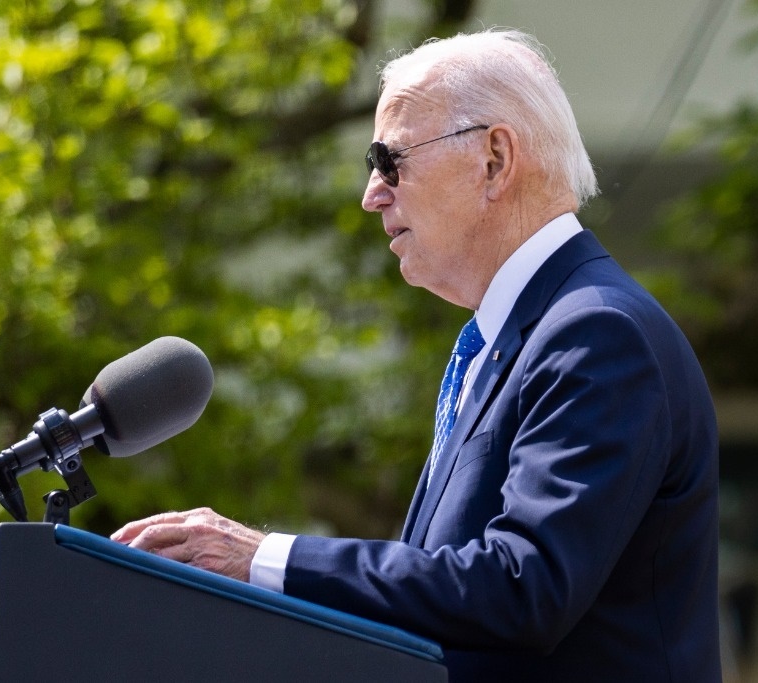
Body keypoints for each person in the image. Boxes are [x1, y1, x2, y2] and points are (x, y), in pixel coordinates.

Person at [112, 28, 721, 681]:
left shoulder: (597, 333)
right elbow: (438, 614)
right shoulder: (516, 338)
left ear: (494, 159)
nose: (372, 194)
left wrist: (264, 558)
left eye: (389, 159)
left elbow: (524, 585)